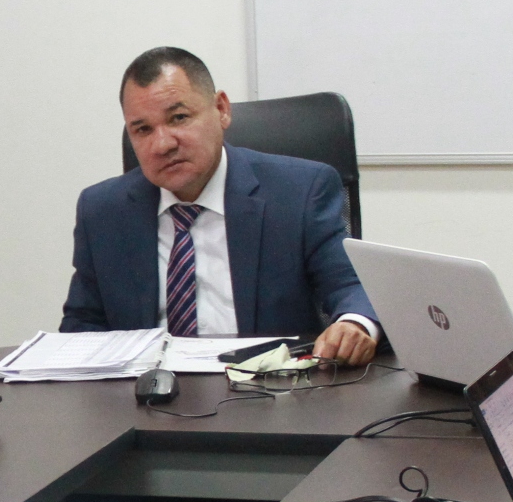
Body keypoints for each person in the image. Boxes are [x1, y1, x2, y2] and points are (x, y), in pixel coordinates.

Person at [60, 46, 379, 365]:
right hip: (148, 389)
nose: (163, 144)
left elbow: (351, 286)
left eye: (179, 118)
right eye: (143, 129)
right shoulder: (102, 210)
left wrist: (354, 325)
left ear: (221, 109)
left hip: (266, 385)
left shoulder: (300, 192)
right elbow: (83, 325)